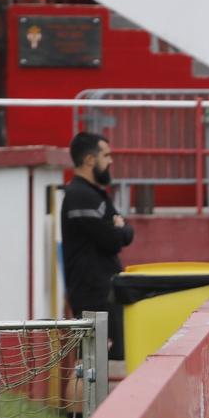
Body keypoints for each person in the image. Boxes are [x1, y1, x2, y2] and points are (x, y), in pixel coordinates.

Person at [62, 131, 132, 363]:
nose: (111, 161)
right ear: (90, 159)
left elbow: (125, 232)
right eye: (106, 155)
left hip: (103, 290)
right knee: (89, 362)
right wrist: (119, 230)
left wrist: (120, 230)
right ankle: (81, 402)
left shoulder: (95, 195)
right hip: (91, 293)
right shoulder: (80, 196)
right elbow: (113, 239)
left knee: (101, 361)